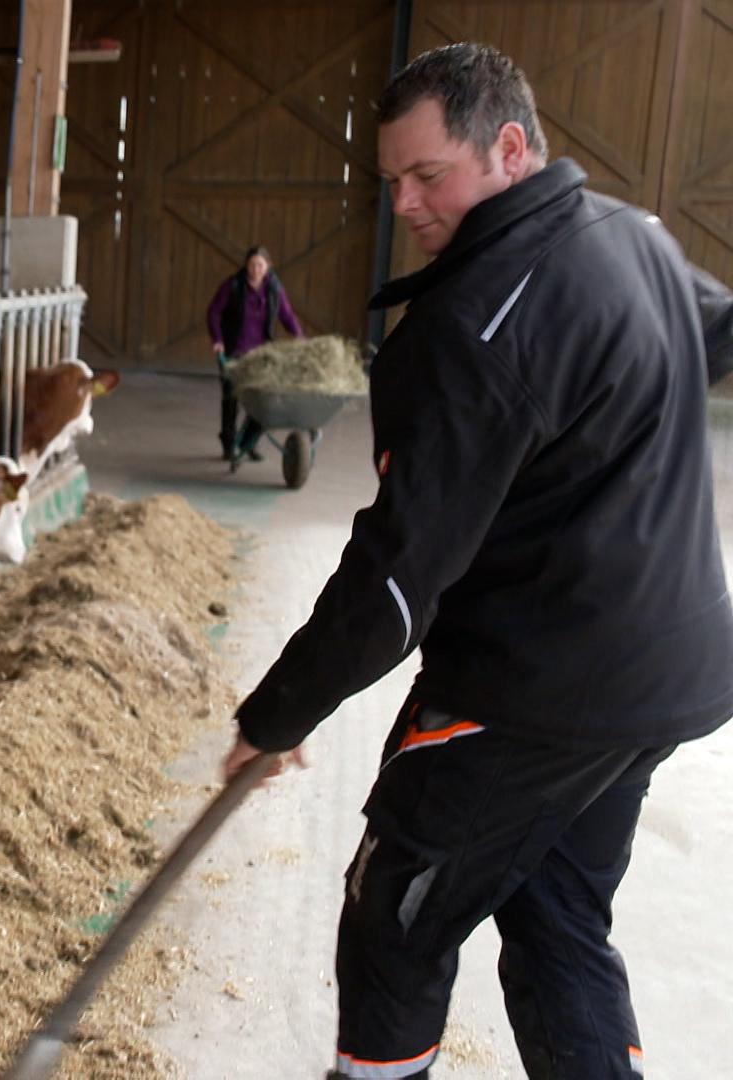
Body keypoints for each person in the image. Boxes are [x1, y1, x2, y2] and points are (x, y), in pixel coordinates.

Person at [221, 43, 733, 1080]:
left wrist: (276, 716)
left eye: (429, 175)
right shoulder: (633, 239)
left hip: (533, 691)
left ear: (509, 146)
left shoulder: (475, 322)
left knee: (394, 920)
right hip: (672, 672)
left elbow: (399, 580)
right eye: (393, 181)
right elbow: (710, 338)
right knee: (554, 916)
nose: (406, 203)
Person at [207, 246, 304, 462]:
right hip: (235, 352)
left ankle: (249, 442)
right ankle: (229, 443)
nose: (256, 269)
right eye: (252, 265)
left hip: (261, 354)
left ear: (268, 266)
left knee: (261, 400)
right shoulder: (233, 286)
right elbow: (214, 312)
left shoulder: (273, 289)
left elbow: (286, 314)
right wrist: (218, 341)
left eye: (260, 265)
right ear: (246, 265)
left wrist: (298, 335)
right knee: (231, 398)